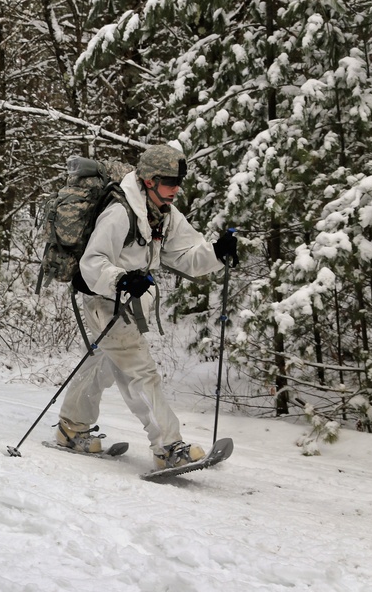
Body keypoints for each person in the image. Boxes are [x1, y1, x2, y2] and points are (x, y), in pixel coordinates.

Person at [55, 143, 239, 471]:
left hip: (125, 301)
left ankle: (72, 428)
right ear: (150, 180)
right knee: (141, 372)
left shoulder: (163, 213)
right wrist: (121, 280)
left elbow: (185, 256)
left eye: (178, 182)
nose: (176, 189)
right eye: (170, 182)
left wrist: (216, 252)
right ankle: (168, 447)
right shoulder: (120, 212)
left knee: (104, 363)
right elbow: (92, 261)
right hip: (105, 301)